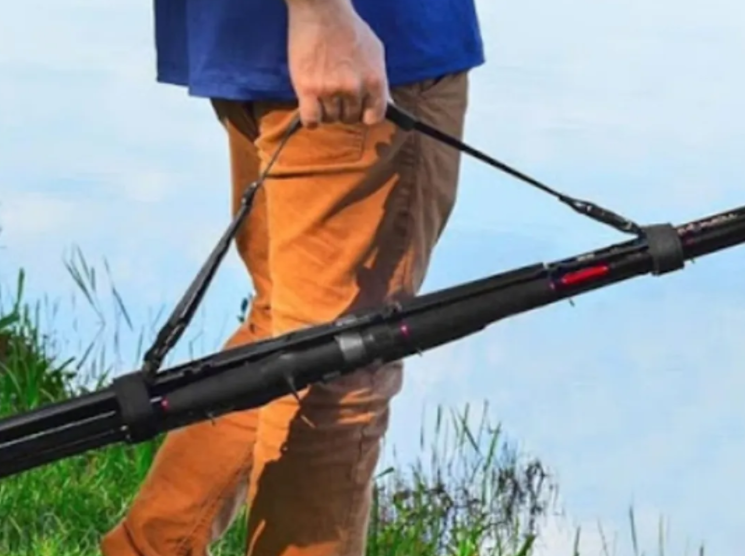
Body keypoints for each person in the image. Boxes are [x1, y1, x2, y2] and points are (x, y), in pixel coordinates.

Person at [101, 0, 484, 554]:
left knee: (286, 336)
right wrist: (322, 17)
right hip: (356, 46)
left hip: (273, 42)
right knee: (340, 363)